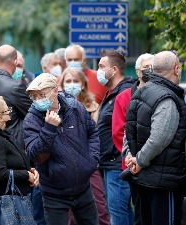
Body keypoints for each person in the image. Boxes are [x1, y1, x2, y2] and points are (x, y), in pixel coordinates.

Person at [23, 73, 100, 225]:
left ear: (55, 90)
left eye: (42, 94)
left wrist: (92, 160)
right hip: (54, 193)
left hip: (83, 187)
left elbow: (92, 132)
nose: (38, 100)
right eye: (34, 96)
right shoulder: (31, 119)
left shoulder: (75, 108)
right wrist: (49, 128)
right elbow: (34, 155)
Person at [124, 50, 186, 225]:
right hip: (163, 182)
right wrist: (139, 160)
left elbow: (128, 130)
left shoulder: (140, 91)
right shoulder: (168, 98)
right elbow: (159, 138)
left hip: (142, 179)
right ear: (177, 69)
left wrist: (131, 158)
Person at [0, 96, 39, 224]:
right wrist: (26, 175)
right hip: (1, 203)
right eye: (6, 109)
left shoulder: (3, 134)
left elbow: (14, 161)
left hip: (13, 201)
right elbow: (0, 173)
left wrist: (30, 170)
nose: (10, 111)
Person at [60, 67, 110, 225]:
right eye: (68, 81)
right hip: (65, 166)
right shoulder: (56, 107)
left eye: (76, 81)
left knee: (99, 207)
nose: (72, 84)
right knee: (70, 214)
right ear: (62, 84)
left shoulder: (93, 107)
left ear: (83, 84)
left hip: (89, 164)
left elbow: (96, 136)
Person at [112, 53, 154, 225]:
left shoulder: (163, 94)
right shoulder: (124, 97)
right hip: (132, 164)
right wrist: (133, 157)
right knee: (137, 210)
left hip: (156, 163)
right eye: (147, 67)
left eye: (154, 66)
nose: (151, 70)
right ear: (138, 72)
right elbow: (118, 132)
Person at [96, 50, 134, 225]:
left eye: (101, 67)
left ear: (114, 69)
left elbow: (125, 130)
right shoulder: (110, 92)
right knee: (121, 212)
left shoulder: (124, 92)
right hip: (109, 163)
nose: (99, 71)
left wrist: (122, 157)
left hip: (117, 163)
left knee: (117, 213)